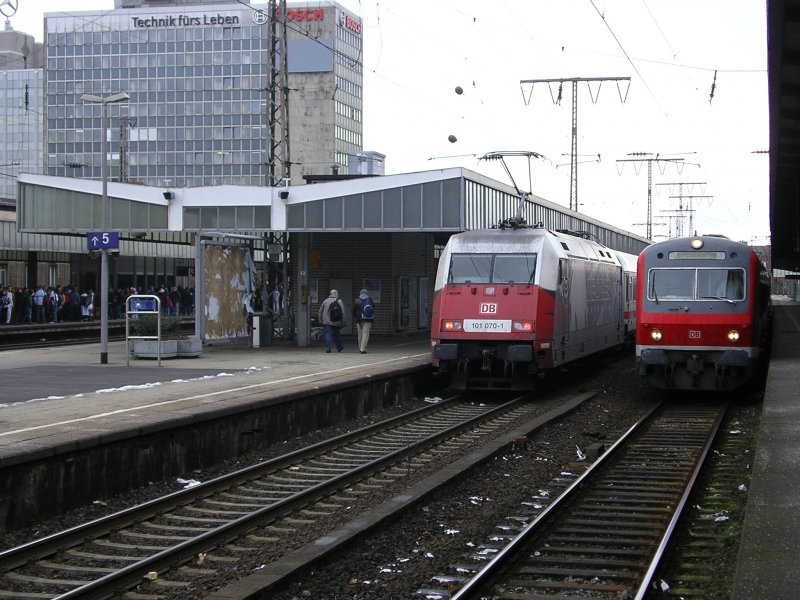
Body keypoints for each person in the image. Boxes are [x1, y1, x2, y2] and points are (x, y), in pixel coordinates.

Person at [318, 289, 345, 353]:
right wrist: (343, 321)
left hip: (327, 322)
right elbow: (343, 312)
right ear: (336, 294)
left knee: (328, 334)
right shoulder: (339, 301)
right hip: (337, 321)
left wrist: (320, 320)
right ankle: (339, 347)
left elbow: (320, 311)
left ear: (330, 294)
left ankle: (328, 348)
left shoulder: (325, 301)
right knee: (337, 334)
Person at [352, 288, 375, 354]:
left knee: (360, 334)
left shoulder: (357, 301)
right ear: (367, 293)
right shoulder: (369, 299)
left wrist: (355, 317)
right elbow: (373, 308)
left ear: (360, 293)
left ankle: (360, 347)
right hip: (368, 319)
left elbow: (352, 310)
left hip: (359, 320)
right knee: (365, 334)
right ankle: (363, 348)